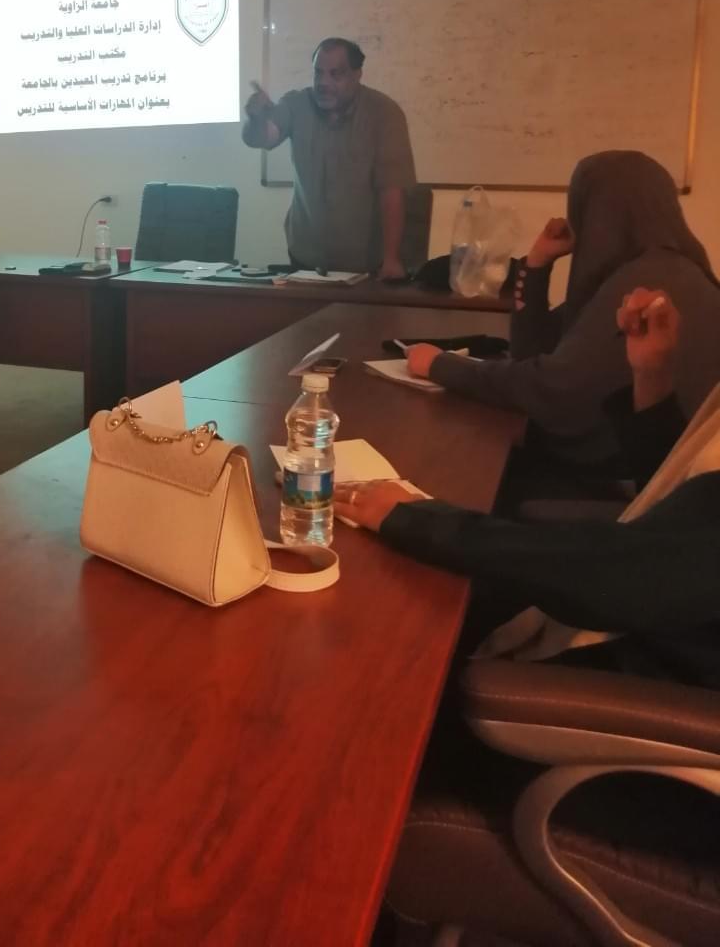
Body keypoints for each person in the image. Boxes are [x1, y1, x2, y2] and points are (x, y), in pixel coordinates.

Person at [336, 289, 720, 687]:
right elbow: (674, 503)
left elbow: (635, 578)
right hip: (632, 605)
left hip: (637, 672)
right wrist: (652, 376)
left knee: (374, 631)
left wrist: (416, 518)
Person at [405, 151, 720, 462]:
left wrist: (440, 366)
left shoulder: (648, 285)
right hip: (649, 464)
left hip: (618, 471)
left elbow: (552, 390)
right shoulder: (665, 269)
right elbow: (533, 354)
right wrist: (537, 263)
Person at [241, 38, 416, 278]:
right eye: (318, 73)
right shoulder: (296, 103)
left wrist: (392, 259)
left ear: (357, 75)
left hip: (366, 263)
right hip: (306, 258)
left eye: (336, 74)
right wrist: (256, 118)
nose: (323, 82)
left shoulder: (384, 113)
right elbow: (261, 138)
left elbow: (392, 190)